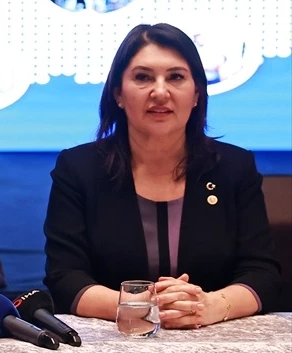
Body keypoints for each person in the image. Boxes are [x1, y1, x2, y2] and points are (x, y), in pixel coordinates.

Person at [43, 23, 281, 327]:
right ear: (118, 93)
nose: (160, 91)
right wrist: (144, 305)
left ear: (197, 94)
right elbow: (65, 278)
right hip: (116, 341)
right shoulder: (78, 168)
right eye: (143, 77)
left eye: (176, 77)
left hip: (212, 338)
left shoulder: (234, 167)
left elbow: (262, 274)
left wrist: (210, 306)